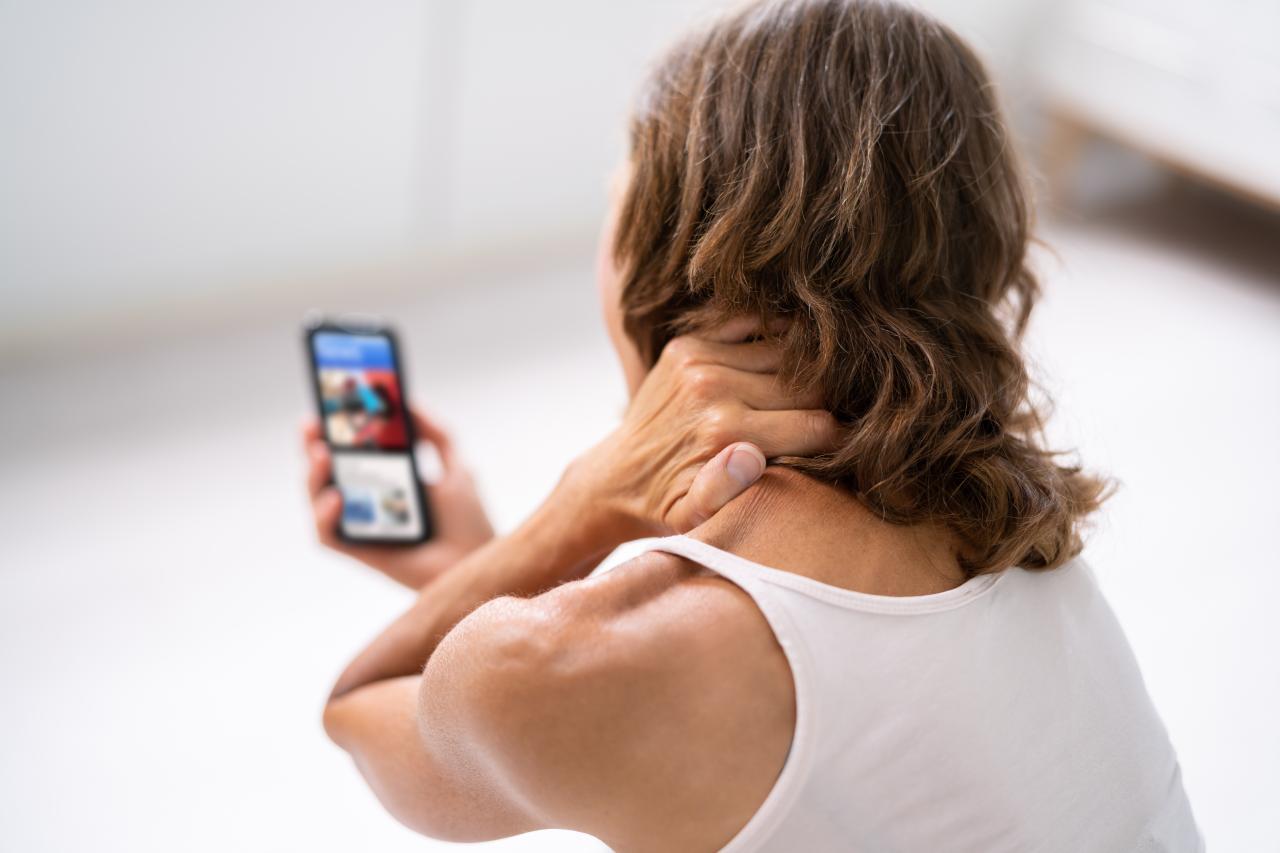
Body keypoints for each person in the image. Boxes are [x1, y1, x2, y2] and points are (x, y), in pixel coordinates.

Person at [301, 0, 1201, 850]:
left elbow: (361, 705)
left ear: (666, 252)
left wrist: (579, 509)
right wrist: (471, 564)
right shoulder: (1002, 505)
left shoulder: (594, 654)